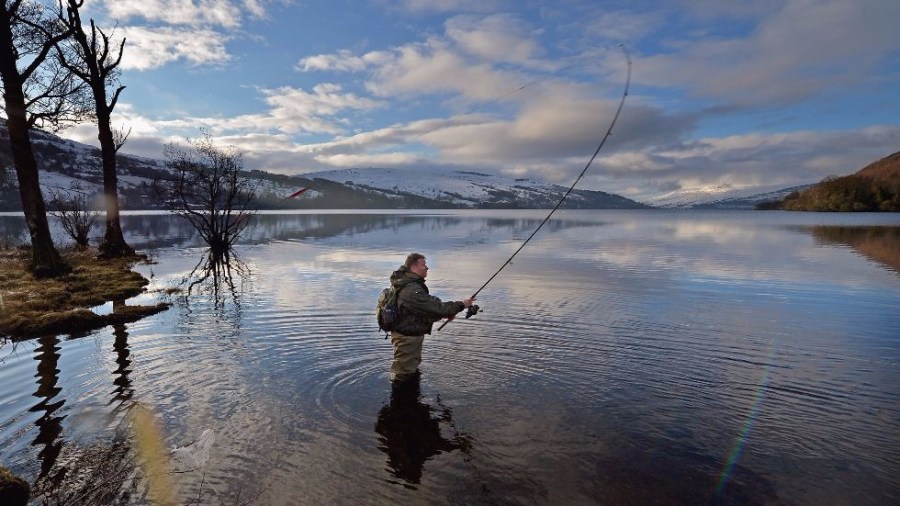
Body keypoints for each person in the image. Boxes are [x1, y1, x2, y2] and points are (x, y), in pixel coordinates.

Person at [388, 253, 474, 381]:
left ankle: (409, 397)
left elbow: (418, 311)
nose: (427, 268)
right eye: (423, 265)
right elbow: (435, 307)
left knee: (409, 370)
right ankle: (400, 398)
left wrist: (442, 316)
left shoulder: (410, 285)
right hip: (407, 339)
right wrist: (462, 304)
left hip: (409, 336)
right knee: (403, 374)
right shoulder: (411, 290)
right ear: (414, 267)